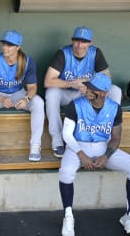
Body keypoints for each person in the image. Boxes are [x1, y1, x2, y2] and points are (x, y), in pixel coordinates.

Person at [58, 73, 130, 236]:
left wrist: (106, 156)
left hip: (103, 146)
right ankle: (68, 217)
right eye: (88, 87)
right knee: (65, 172)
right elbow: (67, 135)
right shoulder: (75, 105)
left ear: (103, 92)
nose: (87, 90)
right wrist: (81, 155)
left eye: (92, 89)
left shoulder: (114, 108)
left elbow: (116, 138)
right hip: (77, 146)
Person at [44, 26, 122, 158]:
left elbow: (107, 80)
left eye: (84, 42)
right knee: (51, 93)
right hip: (68, 93)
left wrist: (88, 83)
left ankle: (108, 137)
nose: (80, 45)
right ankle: (57, 140)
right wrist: (72, 83)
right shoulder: (63, 53)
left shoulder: (95, 53)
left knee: (115, 90)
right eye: (77, 41)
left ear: (90, 43)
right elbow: (48, 81)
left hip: (88, 93)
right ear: (72, 40)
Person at [0, 30, 45, 163]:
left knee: (38, 102)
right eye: (4, 44)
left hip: (18, 93)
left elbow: (32, 88)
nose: (5, 47)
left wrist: (26, 99)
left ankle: (35, 145)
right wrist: (1, 99)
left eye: (9, 45)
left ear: (18, 47)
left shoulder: (27, 61)